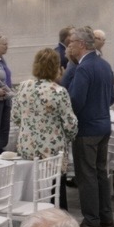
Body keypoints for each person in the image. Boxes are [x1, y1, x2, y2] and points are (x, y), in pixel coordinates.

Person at [12, 48, 78, 207]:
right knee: (56, 190)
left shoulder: (23, 87)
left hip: (27, 147)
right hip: (52, 150)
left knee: (31, 187)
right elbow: (70, 124)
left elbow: (15, 117)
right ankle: (57, 214)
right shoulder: (59, 91)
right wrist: (68, 137)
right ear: (56, 68)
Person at [65, 26, 114, 227]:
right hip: (103, 126)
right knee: (100, 173)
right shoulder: (104, 65)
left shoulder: (84, 68)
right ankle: (106, 217)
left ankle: (91, 219)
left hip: (87, 129)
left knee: (86, 175)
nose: (69, 46)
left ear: (81, 45)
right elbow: (111, 98)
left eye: (72, 42)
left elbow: (76, 101)